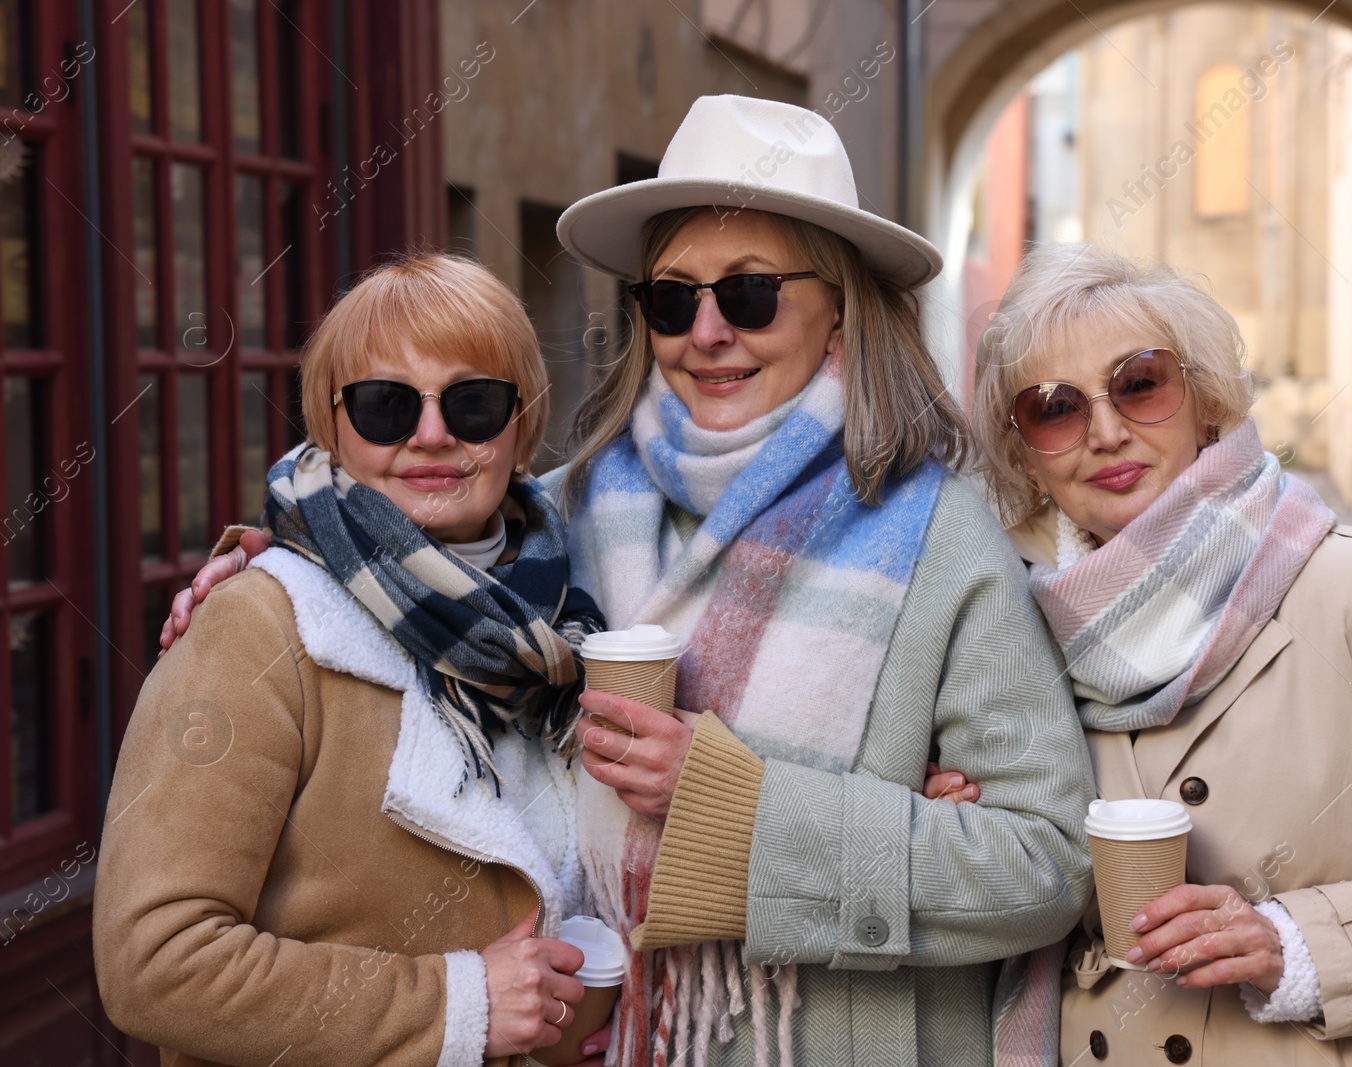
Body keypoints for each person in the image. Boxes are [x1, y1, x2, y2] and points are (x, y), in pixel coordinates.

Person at [159, 95, 1097, 1067]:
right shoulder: (558, 517)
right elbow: (404, 550)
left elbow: (1049, 863)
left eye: (748, 294)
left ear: (839, 307)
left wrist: (749, 808)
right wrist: (277, 561)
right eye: (670, 298)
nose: (706, 330)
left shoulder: (940, 534)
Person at [935, 241, 1352, 1065]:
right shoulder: (1014, 631)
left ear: (1204, 398)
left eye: (1140, 383)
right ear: (1026, 449)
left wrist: (1299, 945)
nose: (1104, 431)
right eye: (1055, 406)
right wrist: (978, 831)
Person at [97, 254, 616, 1067]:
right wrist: (454, 1004)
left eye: (475, 402)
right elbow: (155, 963)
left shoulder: (570, 616)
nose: (433, 435)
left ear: (522, 421)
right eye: (385, 405)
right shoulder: (259, 622)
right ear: (331, 424)